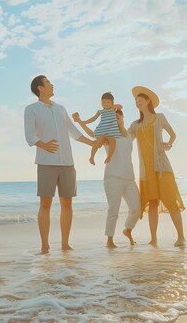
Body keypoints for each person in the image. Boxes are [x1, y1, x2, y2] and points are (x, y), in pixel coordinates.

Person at [24, 75, 94, 254]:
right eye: (48, 82)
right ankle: (45, 246)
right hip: (46, 162)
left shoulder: (61, 109)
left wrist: (93, 143)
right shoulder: (31, 109)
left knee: (67, 203)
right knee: (45, 204)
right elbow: (30, 135)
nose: (52, 84)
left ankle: (65, 244)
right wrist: (43, 145)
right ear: (40, 88)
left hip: (67, 163)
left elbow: (74, 132)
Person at [73, 109, 141, 248]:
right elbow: (92, 134)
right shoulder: (109, 136)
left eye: (117, 117)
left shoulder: (129, 135)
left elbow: (142, 126)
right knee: (113, 210)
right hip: (113, 179)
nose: (115, 120)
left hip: (129, 179)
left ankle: (127, 230)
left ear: (122, 118)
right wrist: (80, 121)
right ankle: (109, 240)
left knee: (136, 209)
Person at [128, 86, 186, 247]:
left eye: (140, 100)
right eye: (136, 101)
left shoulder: (159, 117)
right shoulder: (135, 125)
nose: (137, 103)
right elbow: (125, 139)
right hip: (146, 170)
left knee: (170, 201)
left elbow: (173, 134)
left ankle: (181, 237)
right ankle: (153, 239)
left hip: (162, 167)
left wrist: (168, 144)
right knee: (152, 203)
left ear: (148, 101)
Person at [77, 92, 122, 165]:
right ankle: (92, 157)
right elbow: (93, 118)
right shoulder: (100, 111)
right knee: (97, 143)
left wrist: (113, 106)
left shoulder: (113, 109)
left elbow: (120, 106)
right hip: (102, 132)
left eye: (108, 102)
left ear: (112, 103)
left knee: (113, 141)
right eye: (103, 102)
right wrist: (86, 122)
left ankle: (109, 157)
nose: (106, 104)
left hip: (111, 132)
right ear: (101, 103)